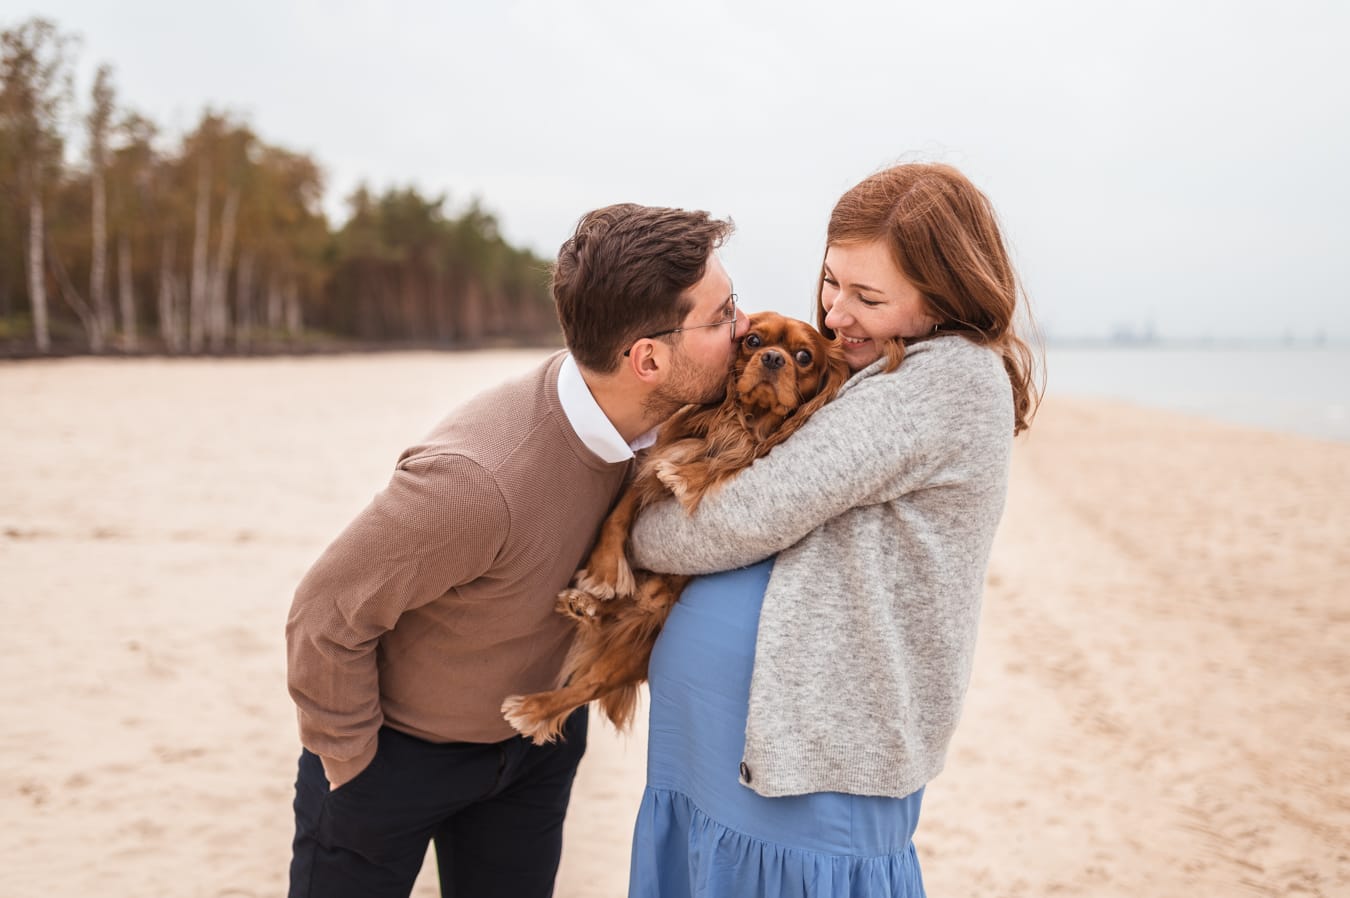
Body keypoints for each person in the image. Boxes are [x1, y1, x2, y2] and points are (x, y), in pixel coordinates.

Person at [285, 202, 748, 898]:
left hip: (534, 755)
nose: (744, 330)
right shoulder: (477, 479)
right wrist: (356, 765)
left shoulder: (674, 431)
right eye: (723, 316)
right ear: (648, 359)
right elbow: (322, 614)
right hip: (395, 758)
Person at [625, 163, 1040, 897]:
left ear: (943, 297)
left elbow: (744, 518)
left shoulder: (943, 383)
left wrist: (640, 532)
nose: (836, 314)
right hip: (728, 762)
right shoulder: (875, 370)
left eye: (868, 296)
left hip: (813, 774)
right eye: (831, 281)